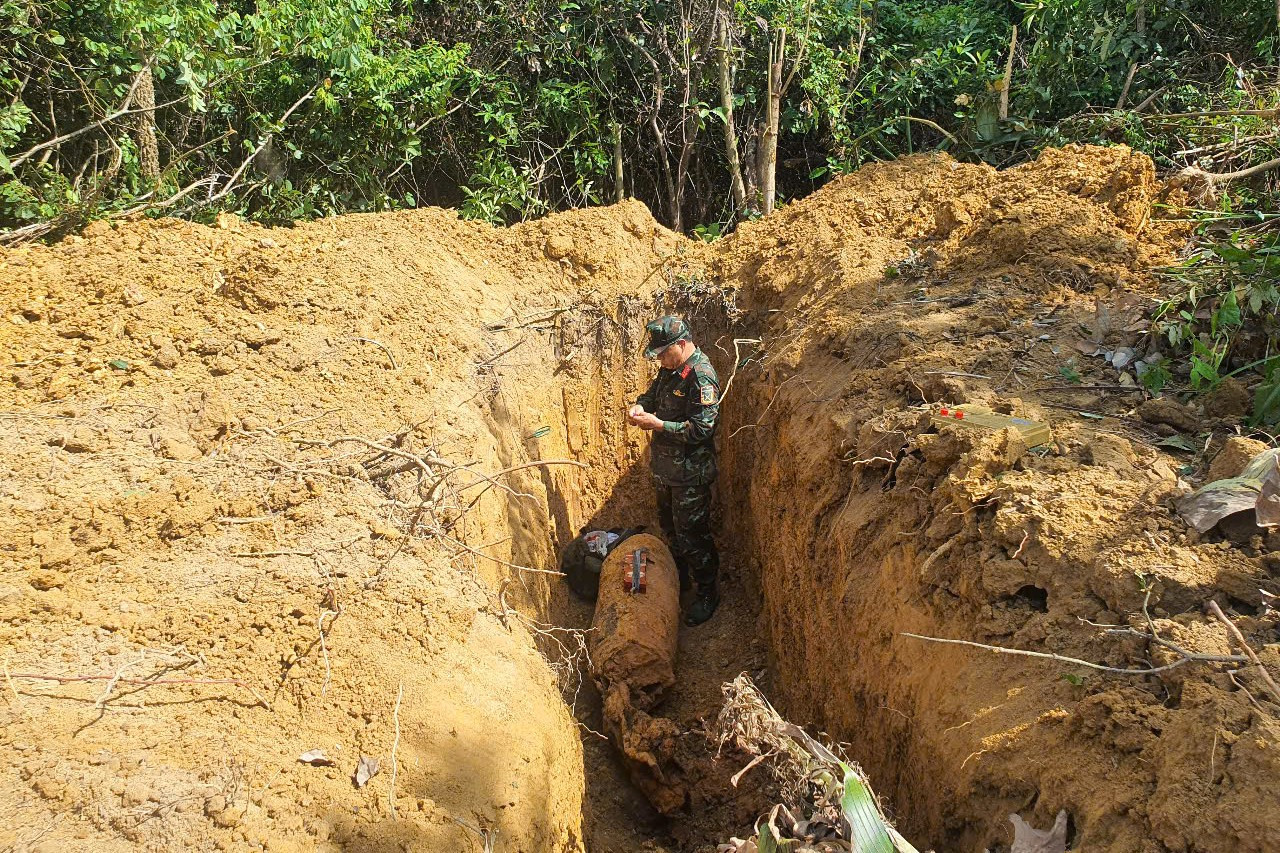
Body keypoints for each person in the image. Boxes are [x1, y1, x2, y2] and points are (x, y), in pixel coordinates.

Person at [627, 315, 721, 626]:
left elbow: (702, 429)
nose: (660, 361)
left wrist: (659, 424)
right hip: (666, 471)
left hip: (690, 476)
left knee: (693, 537)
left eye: (663, 353)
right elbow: (651, 396)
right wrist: (640, 407)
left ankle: (707, 593)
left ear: (681, 345)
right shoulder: (670, 370)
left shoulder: (701, 376)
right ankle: (679, 582)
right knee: (671, 531)